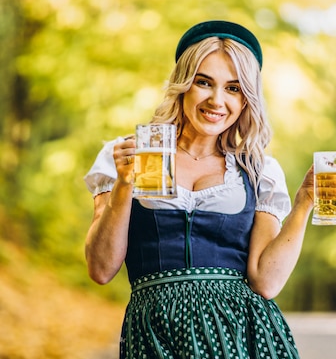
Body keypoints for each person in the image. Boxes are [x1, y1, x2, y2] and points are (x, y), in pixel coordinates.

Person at [84, 20, 314, 359]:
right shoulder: (127, 156)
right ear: (183, 84)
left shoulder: (258, 170)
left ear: (247, 99)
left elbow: (266, 282)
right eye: (204, 82)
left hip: (242, 333)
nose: (217, 100)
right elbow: (101, 269)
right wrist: (123, 184)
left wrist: (304, 204)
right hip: (155, 330)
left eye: (234, 88)